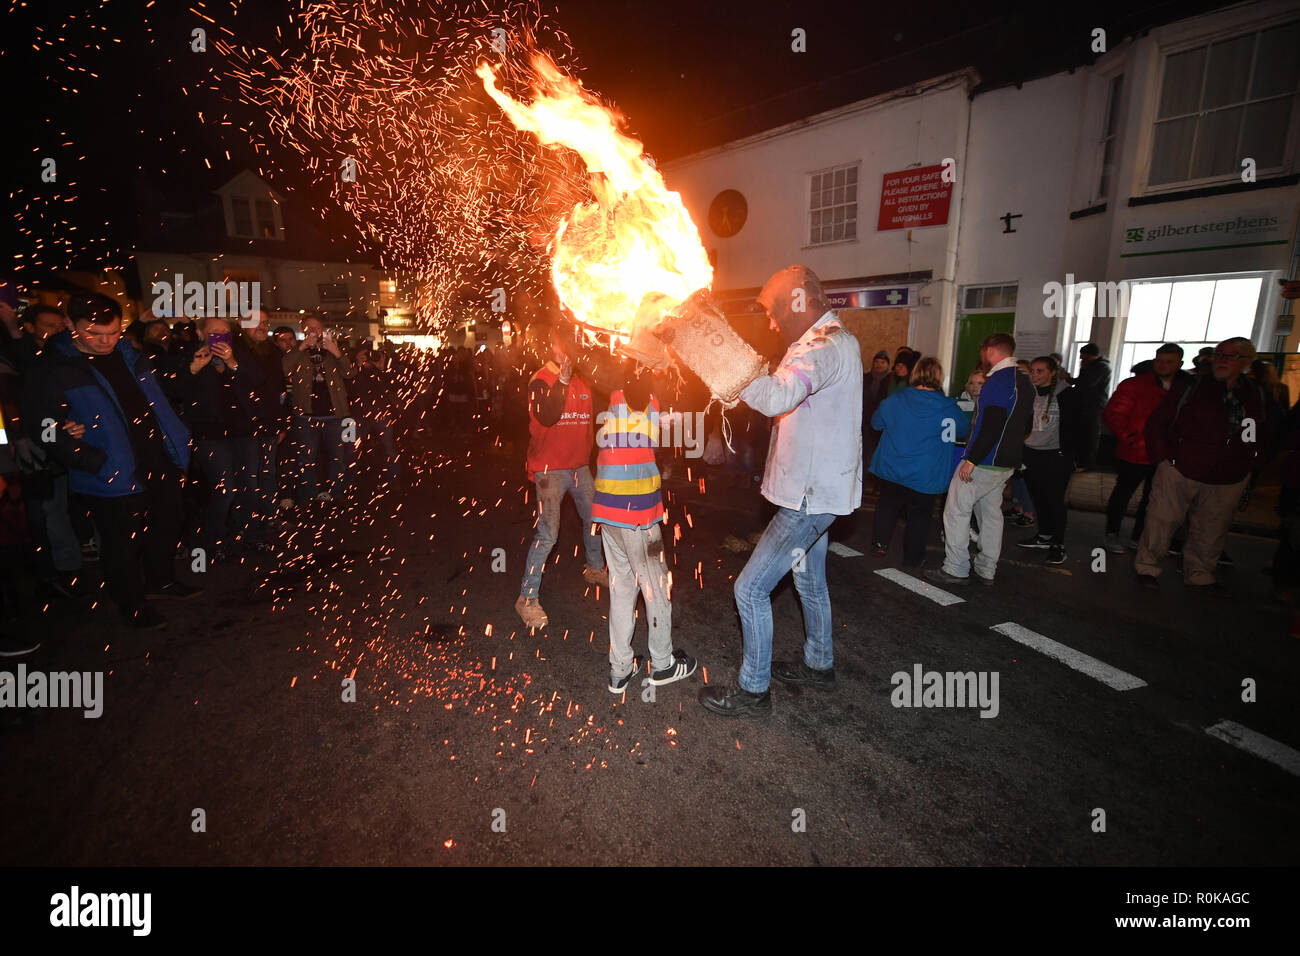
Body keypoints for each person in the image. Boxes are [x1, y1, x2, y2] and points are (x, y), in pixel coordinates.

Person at [700, 265, 862, 717]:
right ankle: (819, 664)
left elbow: (775, 398)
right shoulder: (821, 343)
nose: (771, 322)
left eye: (773, 311)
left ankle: (753, 691)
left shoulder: (824, 347)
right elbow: (776, 395)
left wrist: (724, 358)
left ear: (797, 299)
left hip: (808, 499)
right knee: (810, 582)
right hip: (819, 492)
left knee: (749, 590)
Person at [24, 295, 200, 629]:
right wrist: (85, 456)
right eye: (94, 334)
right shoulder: (53, 366)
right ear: (70, 326)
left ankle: (159, 580)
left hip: (155, 457)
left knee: (168, 520)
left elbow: (156, 400)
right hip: (109, 468)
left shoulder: (129, 354)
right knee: (122, 541)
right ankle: (130, 602)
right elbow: (40, 425)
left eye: (113, 333)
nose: (105, 341)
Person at [593, 362, 696, 693]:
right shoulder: (651, 402)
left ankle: (620, 669)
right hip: (638, 516)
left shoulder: (610, 400)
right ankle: (663, 664)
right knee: (655, 587)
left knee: (623, 588)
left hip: (607, 514)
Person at [1135, 337, 1267, 590]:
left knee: (1212, 526)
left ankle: (1200, 572)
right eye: (1219, 354)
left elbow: (1266, 430)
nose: (1221, 360)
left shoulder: (1255, 393)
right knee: (1162, 520)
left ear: (1247, 362)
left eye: (1230, 356)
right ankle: (1147, 567)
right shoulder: (1192, 386)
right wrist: (1164, 459)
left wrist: (1251, 461)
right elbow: (1158, 422)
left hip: (1229, 473)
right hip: (1181, 467)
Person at [514, 324, 607, 631]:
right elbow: (547, 415)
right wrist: (562, 382)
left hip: (579, 468)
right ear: (550, 349)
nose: (566, 349)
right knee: (548, 534)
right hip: (550, 470)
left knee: (595, 519)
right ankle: (526, 598)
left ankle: (594, 568)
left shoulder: (584, 379)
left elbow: (588, 423)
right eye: (560, 345)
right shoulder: (540, 380)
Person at [926, 332, 1033, 587]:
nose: (982, 356)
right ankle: (987, 568)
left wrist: (971, 459)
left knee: (956, 510)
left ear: (991, 350)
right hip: (1007, 461)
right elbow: (1026, 424)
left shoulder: (997, 380)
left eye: (983, 351)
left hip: (985, 460)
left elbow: (992, 423)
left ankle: (955, 567)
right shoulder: (1025, 381)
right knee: (991, 514)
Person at [173, 316, 265, 559]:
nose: (220, 336)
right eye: (214, 332)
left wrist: (232, 362)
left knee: (250, 487)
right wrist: (194, 368)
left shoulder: (240, 352)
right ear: (201, 333)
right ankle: (214, 542)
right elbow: (172, 390)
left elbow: (258, 380)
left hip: (244, 430)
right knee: (224, 490)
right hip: (209, 434)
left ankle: (251, 536)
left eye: (225, 332)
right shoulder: (188, 354)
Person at [868, 356, 968, 568]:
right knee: (920, 516)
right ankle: (913, 558)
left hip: (893, 468)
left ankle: (880, 544)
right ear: (939, 377)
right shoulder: (948, 407)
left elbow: (876, 423)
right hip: (926, 474)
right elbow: (963, 430)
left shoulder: (896, 399)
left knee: (887, 506)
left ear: (915, 374)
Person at [1101, 343, 1192, 553]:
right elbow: (1114, 414)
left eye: (1169, 362)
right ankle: (1112, 533)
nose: (1162, 365)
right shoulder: (1135, 385)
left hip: (1166, 454)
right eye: (1159, 360)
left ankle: (1139, 536)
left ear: (1179, 364)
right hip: (1135, 451)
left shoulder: (1186, 387)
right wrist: (1130, 438)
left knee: (1154, 499)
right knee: (1122, 494)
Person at [1015, 355, 1080, 565]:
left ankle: (1057, 544)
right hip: (1031, 453)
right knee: (1038, 497)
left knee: (1055, 500)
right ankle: (1044, 536)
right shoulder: (1028, 393)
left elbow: (1078, 426)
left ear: (1052, 372)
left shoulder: (1067, 394)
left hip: (1056, 455)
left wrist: (1075, 457)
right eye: (1032, 371)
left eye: (1040, 371)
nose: (1034, 375)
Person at [282, 314, 351, 506]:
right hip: (306, 415)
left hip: (335, 415)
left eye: (317, 328)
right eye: (309, 328)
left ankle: (338, 493)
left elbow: (350, 372)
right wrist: (302, 347)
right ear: (303, 331)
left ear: (323, 330)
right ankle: (308, 497)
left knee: (338, 457)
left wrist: (336, 352)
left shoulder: (334, 349)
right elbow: (284, 369)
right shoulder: (296, 352)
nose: (313, 332)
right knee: (306, 459)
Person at [1073, 343, 1111, 470]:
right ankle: (1080, 461)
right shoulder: (1091, 366)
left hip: (1094, 406)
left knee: (1091, 435)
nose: (1081, 360)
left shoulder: (1101, 368)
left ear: (1091, 356)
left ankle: (1088, 463)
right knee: (1082, 434)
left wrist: (1070, 379)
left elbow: (1086, 384)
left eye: (1083, 357)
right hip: (1085, 405)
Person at [860, 349, 892, 494]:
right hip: (865, 422)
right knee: (864, 454)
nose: (879, 365)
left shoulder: (891, 381)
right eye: (877, 362)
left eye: (882, 362)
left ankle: (877, 485)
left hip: (882, 423)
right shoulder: (865, 378)